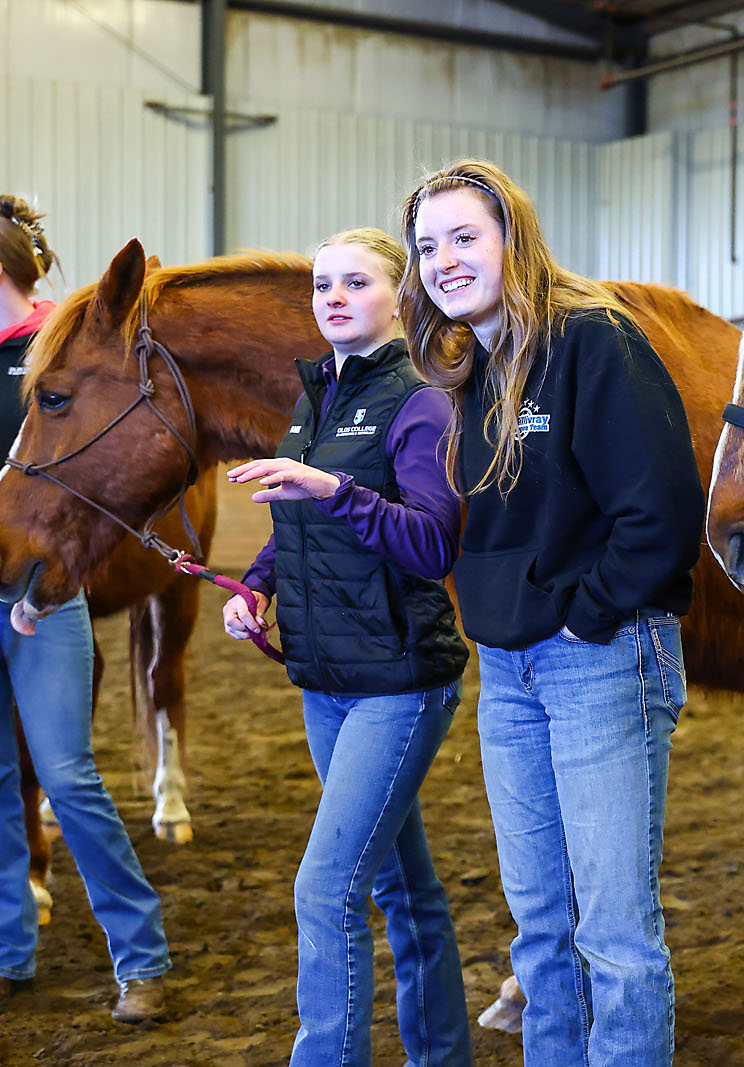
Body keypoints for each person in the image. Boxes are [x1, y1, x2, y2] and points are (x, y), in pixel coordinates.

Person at [400, 159, 703, 1066]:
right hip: (512, 666)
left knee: (615, 934)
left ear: (511, 240)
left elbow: (664, 513)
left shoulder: (592, 339)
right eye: (427, 246)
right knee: (539, 930)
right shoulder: (477, 367)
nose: (444, 261)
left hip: (599, 656)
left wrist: (586, 615)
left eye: (464, 237)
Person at [0, 196, 171, 1019]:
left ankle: (142, 958)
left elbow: (71, 467)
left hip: (40, 591)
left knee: (66, 775)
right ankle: (5, 950)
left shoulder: (62, 354)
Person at [223, 227, 471, 1066]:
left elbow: (434, 545)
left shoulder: (422, 400)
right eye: (323, 284)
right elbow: (299, 513)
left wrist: (337, 487)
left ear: (399, 298)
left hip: (397, 683)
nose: (332, 296)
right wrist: (257, 583)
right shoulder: (317, 396)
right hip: (325, 678)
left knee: (326, 888)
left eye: (354, 282)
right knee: (405, 889)